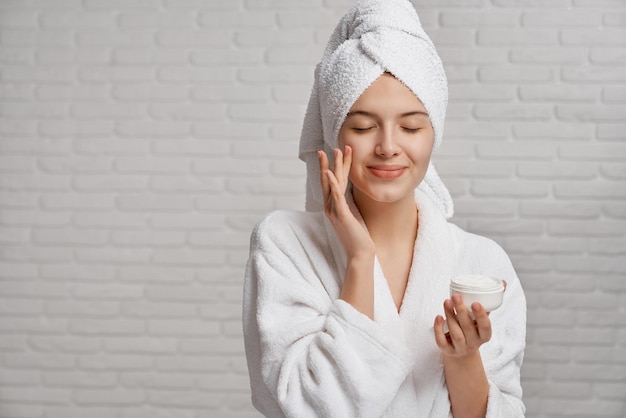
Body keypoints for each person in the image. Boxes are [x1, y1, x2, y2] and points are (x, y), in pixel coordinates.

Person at [242, 0, 526, 417]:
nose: (388, 146)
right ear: (333, 133)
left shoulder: (481, 263)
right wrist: (360, 259)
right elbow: (308, 409)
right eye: (362, 126)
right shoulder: (284, 245)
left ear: (435, 134)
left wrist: (464, 357)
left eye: (411, 126)